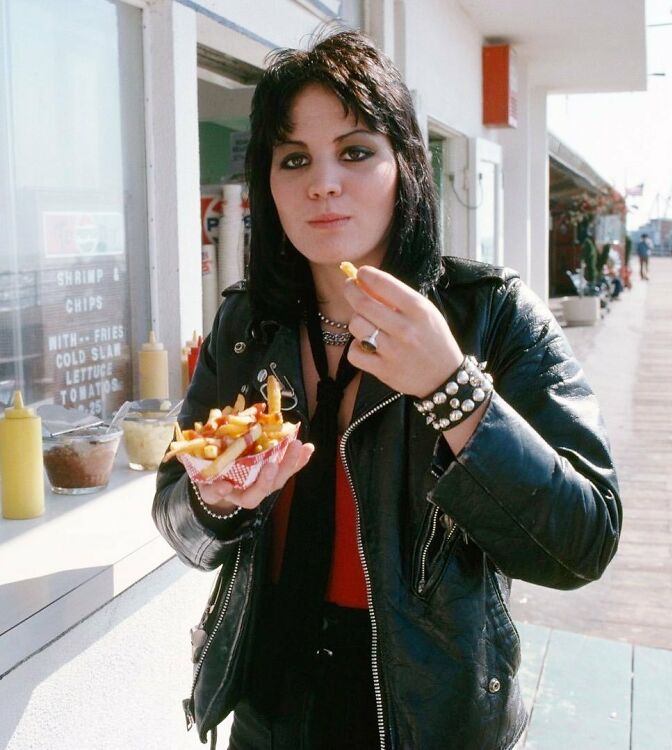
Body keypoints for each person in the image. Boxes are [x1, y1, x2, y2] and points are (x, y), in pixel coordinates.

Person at [153, 31, 621, 750]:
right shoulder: (250, 325)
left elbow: (582, 543)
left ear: (407, 166)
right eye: (294, 158)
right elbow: (177, 518)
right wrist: (215, 499)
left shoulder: (490, 314)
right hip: (266, 697)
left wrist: (452, 389)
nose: (323, 182)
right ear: (267, 183)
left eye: (357, 150)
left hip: (425, 707)